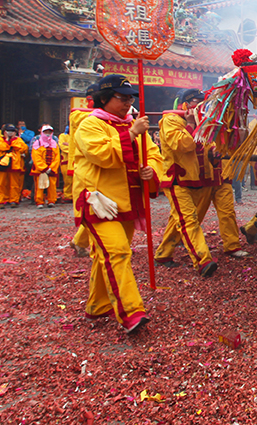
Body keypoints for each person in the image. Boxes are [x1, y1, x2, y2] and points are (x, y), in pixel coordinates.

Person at [72, 74, 164, 334]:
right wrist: (131, 134)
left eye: (129, 98)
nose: (127, 103)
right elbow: (101, 156)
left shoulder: (132, 124)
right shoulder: (89, 125)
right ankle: (131, 313)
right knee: (117, 253)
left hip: (128, 201)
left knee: (109, 254)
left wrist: (150, 171)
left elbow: (154, 155)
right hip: (99, 202)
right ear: (104, 99)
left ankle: (97, 305)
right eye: (121, 98)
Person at [153, 89, 219, 277]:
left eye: (202, 103)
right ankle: (202, 260)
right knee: (188, 220)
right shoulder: (170, 120)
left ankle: (163, 254)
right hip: (177, 180)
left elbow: (207, 145)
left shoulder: (202, 121)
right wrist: (191, 124)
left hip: (197, 178)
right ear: (184, 104)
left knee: (180, 219)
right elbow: (182, 144)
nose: (199, 107)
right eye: (196, 102)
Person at [67, 83, 99, 257]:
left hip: (97, 165)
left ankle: (79, 241)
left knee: (98, 207)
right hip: (84, 167)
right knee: (93, 207)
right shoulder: (79, 115)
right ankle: (97, 246)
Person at [0, 125, 27, 209]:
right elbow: (2, 147)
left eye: (12, 131)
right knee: (0, 184)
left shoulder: (18, 139)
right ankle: (0, 201)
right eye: (8, 131)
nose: (10, 132)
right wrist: (7, 140)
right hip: (2, 163)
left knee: (14, 184)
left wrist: (12, 139)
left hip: (14, 164)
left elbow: (21, 147)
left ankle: (14, 200)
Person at [31, 124, 61, 209]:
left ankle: (51, 200)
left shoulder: (54, 143)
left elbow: (57, 157)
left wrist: (52, 168)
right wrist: (44, 168)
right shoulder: (37, 143)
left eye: (49, 132)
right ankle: (39, 201)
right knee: (40, 186)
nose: (47, 134)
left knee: (52, 186)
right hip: (40, 170)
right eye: (46, 132)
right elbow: (36, 157)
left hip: (52, 169)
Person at [58, 125, 71, 202]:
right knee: (67, 180)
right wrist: (73, 148)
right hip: (66, 161)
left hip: (76, 161)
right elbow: (63, 147)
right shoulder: (63, 136)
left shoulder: (77, 134)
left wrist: (70, 145)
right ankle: (68, 196)